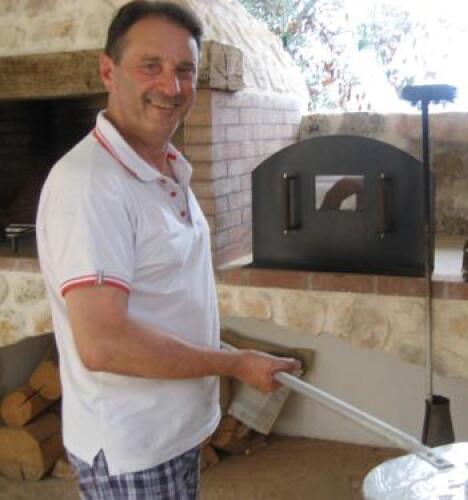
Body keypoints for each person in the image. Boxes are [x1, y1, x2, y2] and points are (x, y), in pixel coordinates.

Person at [35, 1, 300, 498]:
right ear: (108, 71)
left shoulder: (165, 166)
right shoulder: (89, 185)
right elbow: (103, 343)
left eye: (185, 70)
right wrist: (233, 364)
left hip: (169, 435)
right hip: (134, 449)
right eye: (151, 66)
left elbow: (164, 305)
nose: (172, 87)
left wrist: (232, 356)